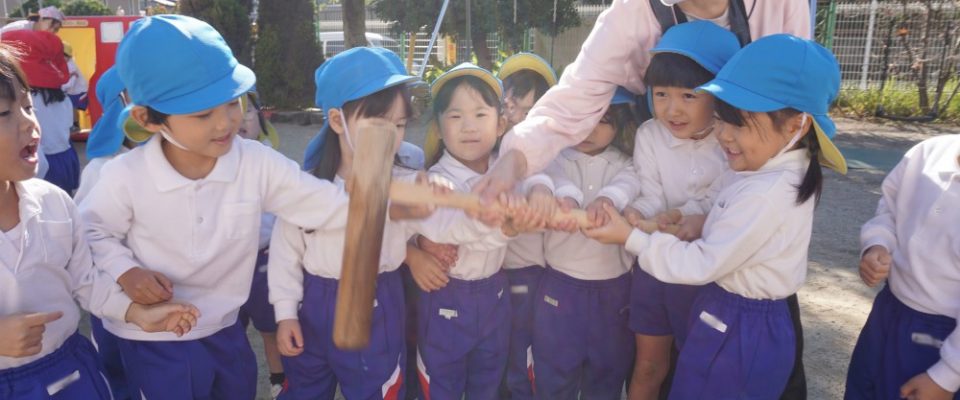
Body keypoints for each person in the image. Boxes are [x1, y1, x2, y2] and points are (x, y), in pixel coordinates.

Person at [78, 15, 350, 399]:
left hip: (225, 330)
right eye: (202, 114)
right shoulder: (125, 176)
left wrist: (401, 202)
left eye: (232, 102)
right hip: (153, 335)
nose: (226, 123)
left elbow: (325, 204)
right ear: (147, 118)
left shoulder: (254, 162)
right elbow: (88, 232)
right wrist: (126, 271)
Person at [584, 34, 846, 399]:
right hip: (729, 309)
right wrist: (695, 220)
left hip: (741, 320)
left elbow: (704, 262)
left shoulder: (766, 191)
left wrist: (631, 237)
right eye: (722, 120)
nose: (723, 135)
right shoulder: (773, 171)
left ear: (795, 126)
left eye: (739, 123)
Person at [845, 134, 960, 400]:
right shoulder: (927, 153)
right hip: (888, 310)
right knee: (862, 388)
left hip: (943, 338)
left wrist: (946, 376)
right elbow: (889, 208)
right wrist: (877, 245)